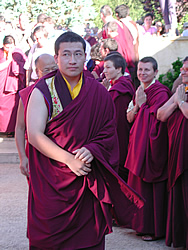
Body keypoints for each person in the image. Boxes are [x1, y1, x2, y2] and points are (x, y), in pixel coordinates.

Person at [26, 31, 144, 249]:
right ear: (57, 57)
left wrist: (93, 149)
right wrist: (69, 160)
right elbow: (34, 134)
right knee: (50, 239)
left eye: (78, 54)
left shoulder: (97, 91)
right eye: (66, 54)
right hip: (52, 179)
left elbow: (108, 132)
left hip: (86, 180)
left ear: (85, 57)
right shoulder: (42, 90)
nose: (72, 60)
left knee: (88, 239)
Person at [125, 56, 171, 241]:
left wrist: (142, 105)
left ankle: (153, 229)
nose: (142, 73)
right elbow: (130, 117)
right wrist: (138, 105)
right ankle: (139, 225)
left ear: (155, 72)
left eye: (147, 70)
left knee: (150, 189)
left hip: (152, 149)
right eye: (140, 70)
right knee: (137, 187)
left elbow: (158, 121)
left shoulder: (160, 92)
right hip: (138, 146)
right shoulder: (140, 90)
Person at [157, 56, 188, 249]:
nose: (183, 71)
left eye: (187, 69)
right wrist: (177, 101)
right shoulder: (180, 91)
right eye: (183, 69)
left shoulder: (181, 95)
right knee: (179, 193)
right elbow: (161, 114)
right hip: (178, 152)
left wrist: (181, 104)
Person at [15, 54, 58, 177]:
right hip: (36, 151)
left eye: (54, 69)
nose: (51, 73)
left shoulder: (65, 90)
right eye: (46, 70)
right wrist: (23, 157)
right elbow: (19, 127)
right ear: (37, 72)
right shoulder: (28, 93)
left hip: (61, 149)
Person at [103, 52, 135, 182]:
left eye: (108, 67)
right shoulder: (116, 84)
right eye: (104, 67)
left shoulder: (121, 88)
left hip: (119, 133)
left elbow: (117, 120)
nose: (105, 71)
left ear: (119, 69)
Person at [0, 35, 27, 135]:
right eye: (7, 47)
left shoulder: (19, 53)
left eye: (11, 47)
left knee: (13, 108)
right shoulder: (0, 52)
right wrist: (8, 61)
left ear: (15, 45)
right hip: (1, 85)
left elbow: (25, 66)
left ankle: (11, 130)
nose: (9, 49)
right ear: (3, 45)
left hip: (14, 86)